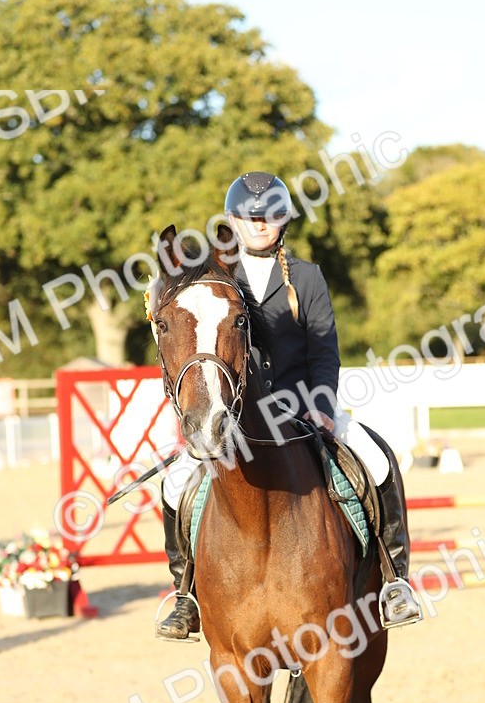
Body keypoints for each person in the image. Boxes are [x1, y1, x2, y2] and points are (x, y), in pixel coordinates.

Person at [156, 170, 423, 639]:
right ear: (233, 221)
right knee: (175, 481)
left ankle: (394, 579)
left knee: (377, 458)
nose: (259, 224)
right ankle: (186, 593)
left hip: (303, 407)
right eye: (249, 216)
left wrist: (321, 404)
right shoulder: (216, 278)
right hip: (233, 413)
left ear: (283, 220)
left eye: (269, 216)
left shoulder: (307, 277)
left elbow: (324, 349)